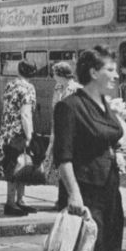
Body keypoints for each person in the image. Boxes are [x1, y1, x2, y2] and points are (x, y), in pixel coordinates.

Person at [40, 46, 126, 251]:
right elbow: (63, 158)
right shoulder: (70, 107)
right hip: (84, 191)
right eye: (111, 70)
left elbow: (111, 139)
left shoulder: (106, 104)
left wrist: (120, 152)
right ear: (93, 72)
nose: (116, 75)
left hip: (109, 189)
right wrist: (74, 195)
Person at [0, 59, 38, 216]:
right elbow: (26, 114)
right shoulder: (28, 88)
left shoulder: (10, 85)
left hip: (7, 132)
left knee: (14, 165)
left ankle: (16, 201)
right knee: (19, 166)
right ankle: (14, 202)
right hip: (19, 133)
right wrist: (30, 135)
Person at [42, 62, 81, 208]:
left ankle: (70, 199)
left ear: (61, 74)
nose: (52, 76)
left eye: (54, 73)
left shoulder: (77, 89)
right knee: (59, 166)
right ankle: (61, 200)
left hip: (74, 134)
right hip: (58, 131)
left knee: (71, 166)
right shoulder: (57, 87)